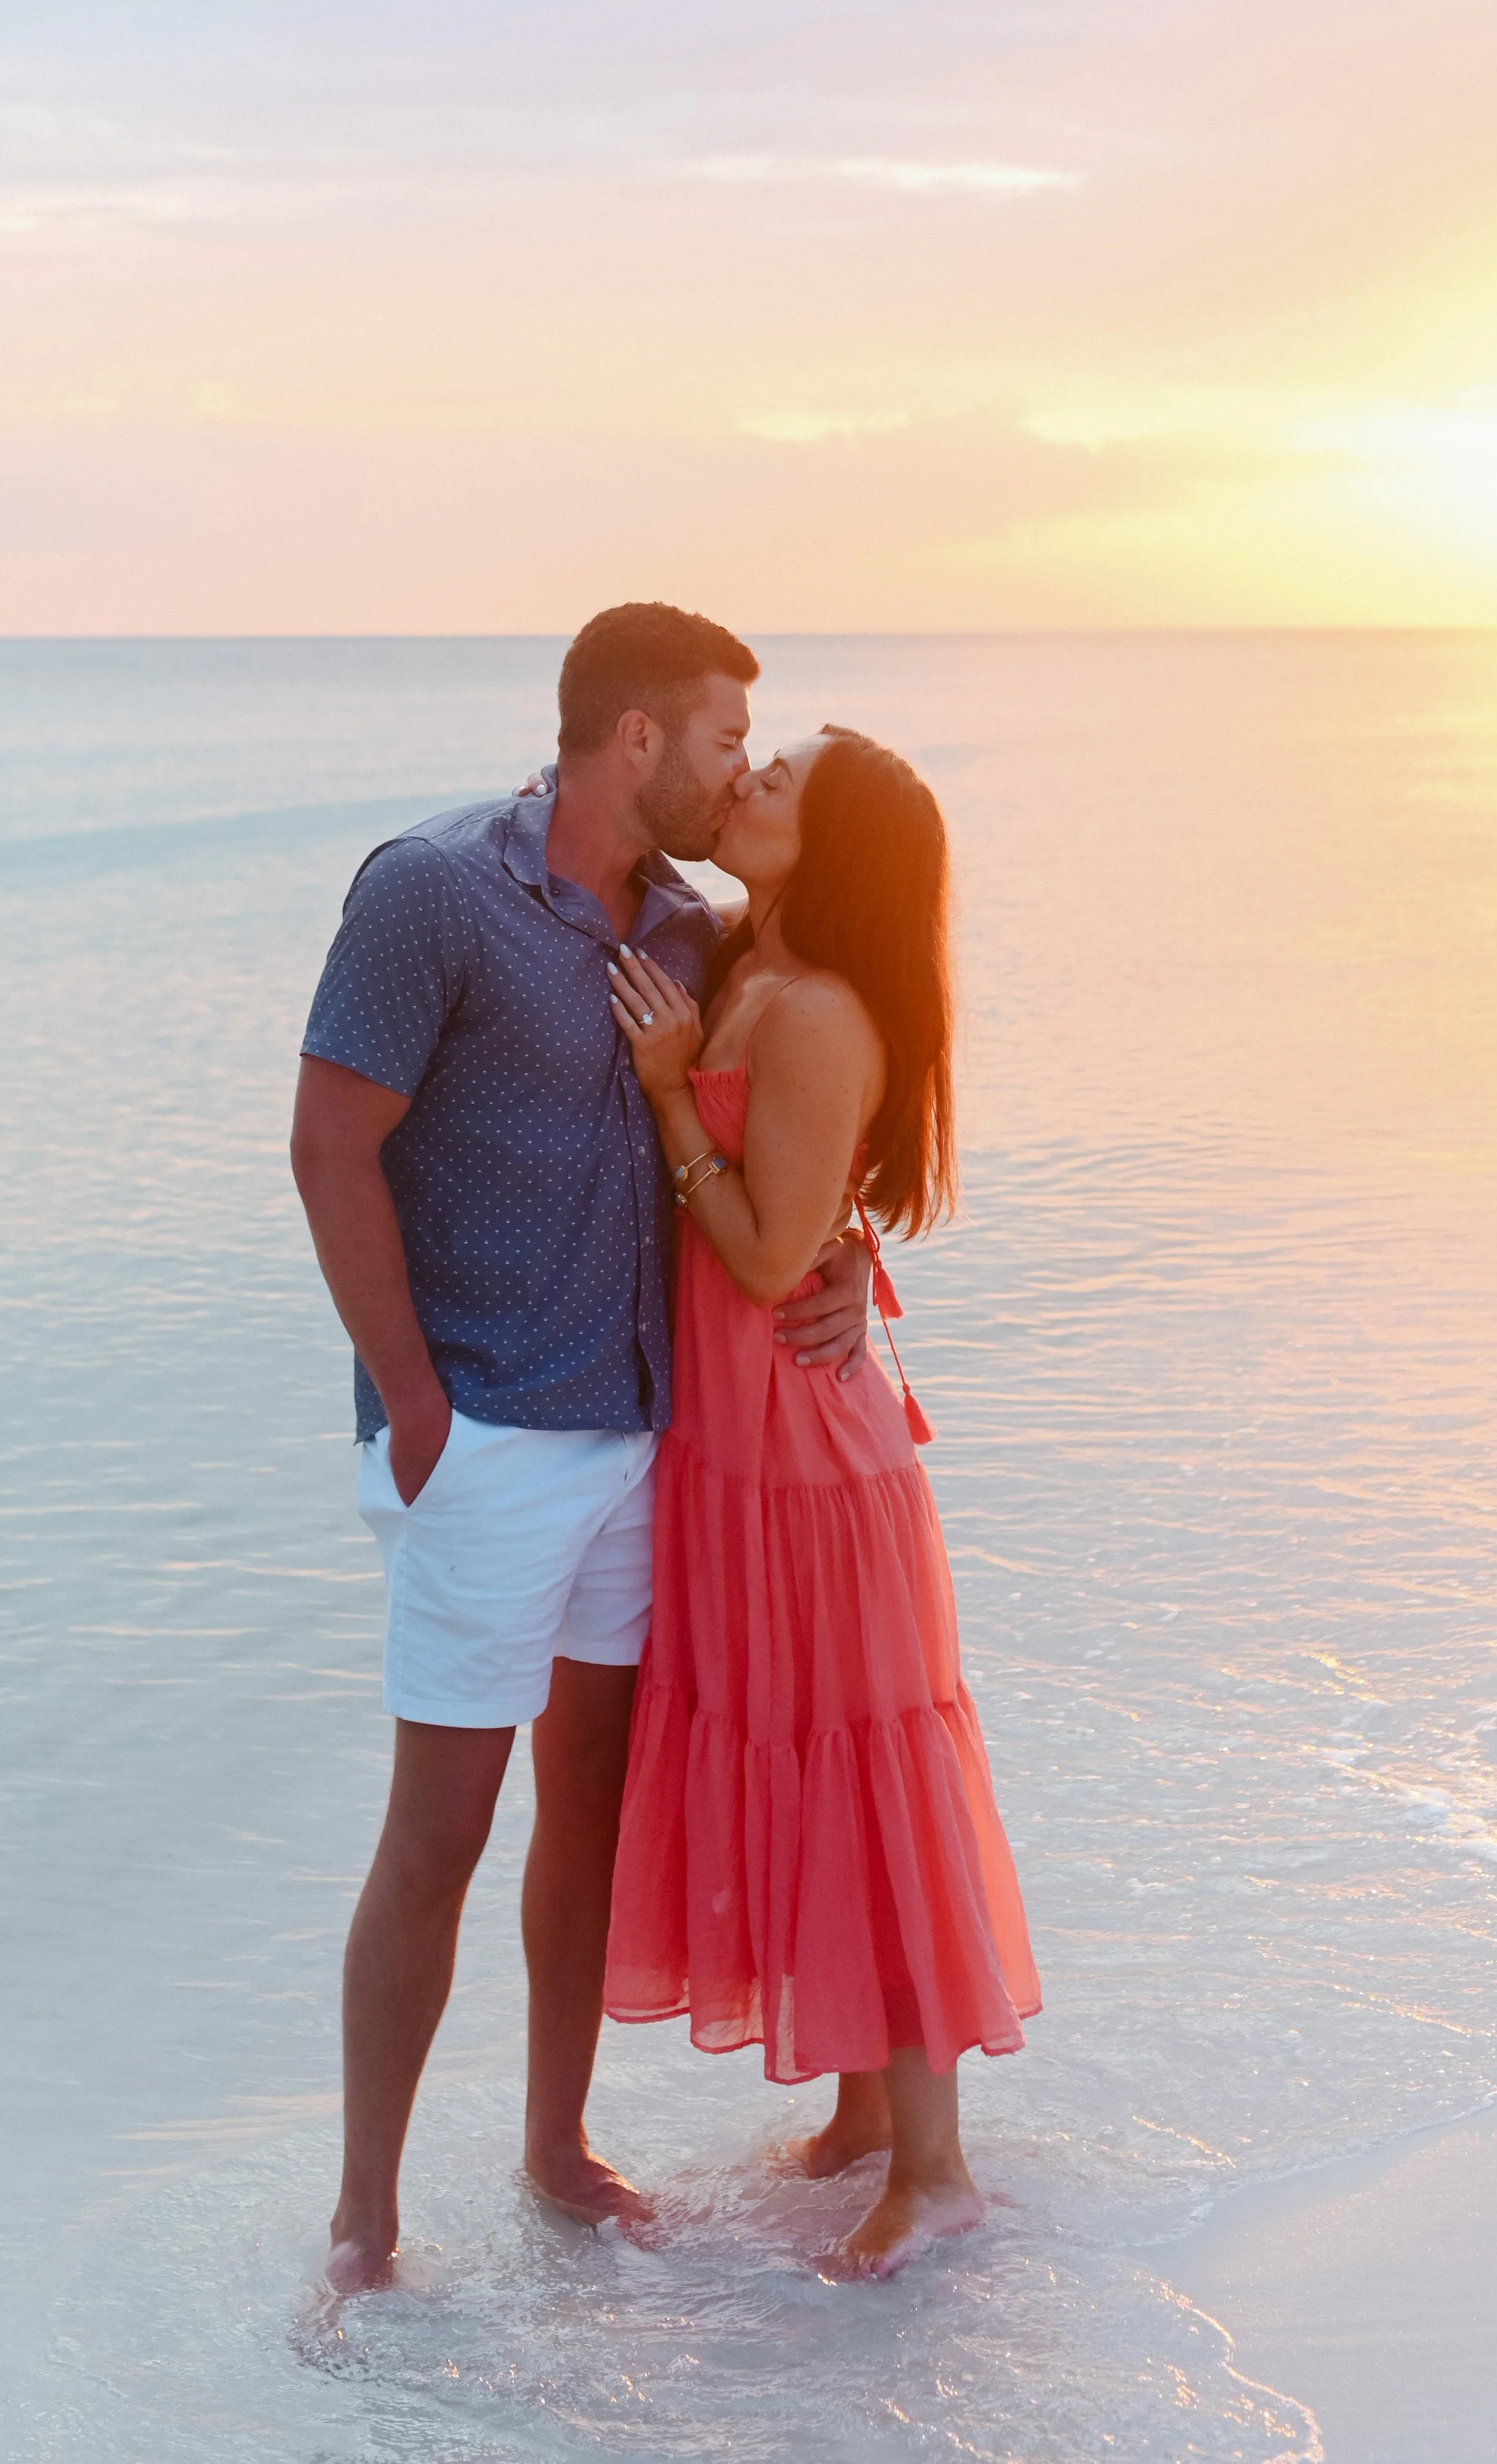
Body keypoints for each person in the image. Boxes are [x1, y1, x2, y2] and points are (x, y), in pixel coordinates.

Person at [290, 606, 871, 2294]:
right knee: (438, 1833)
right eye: (717, 737)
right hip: (482, 1440)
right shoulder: (432, 891)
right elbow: (331, 1146)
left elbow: (805, 1108)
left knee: (591, 1813)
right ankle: (364, 2223)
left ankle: (554, 2148)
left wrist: (839, 1256)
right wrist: (409, 1400)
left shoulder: (693, 929)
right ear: (631, 738)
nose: (732, 766)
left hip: (642, 1436)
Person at [601, 725, 1040, 2279]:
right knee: (804, 1761)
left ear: (828, 848)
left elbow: (774, 1257)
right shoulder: (735, 954)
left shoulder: (811, 1008)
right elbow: (823, 1225)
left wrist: (667, 1102)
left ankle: (935, 2171)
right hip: (745, 1454)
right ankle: (866, 2110)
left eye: (776, 780)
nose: (747, 784)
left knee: (863, 1784)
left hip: (809, 1469)